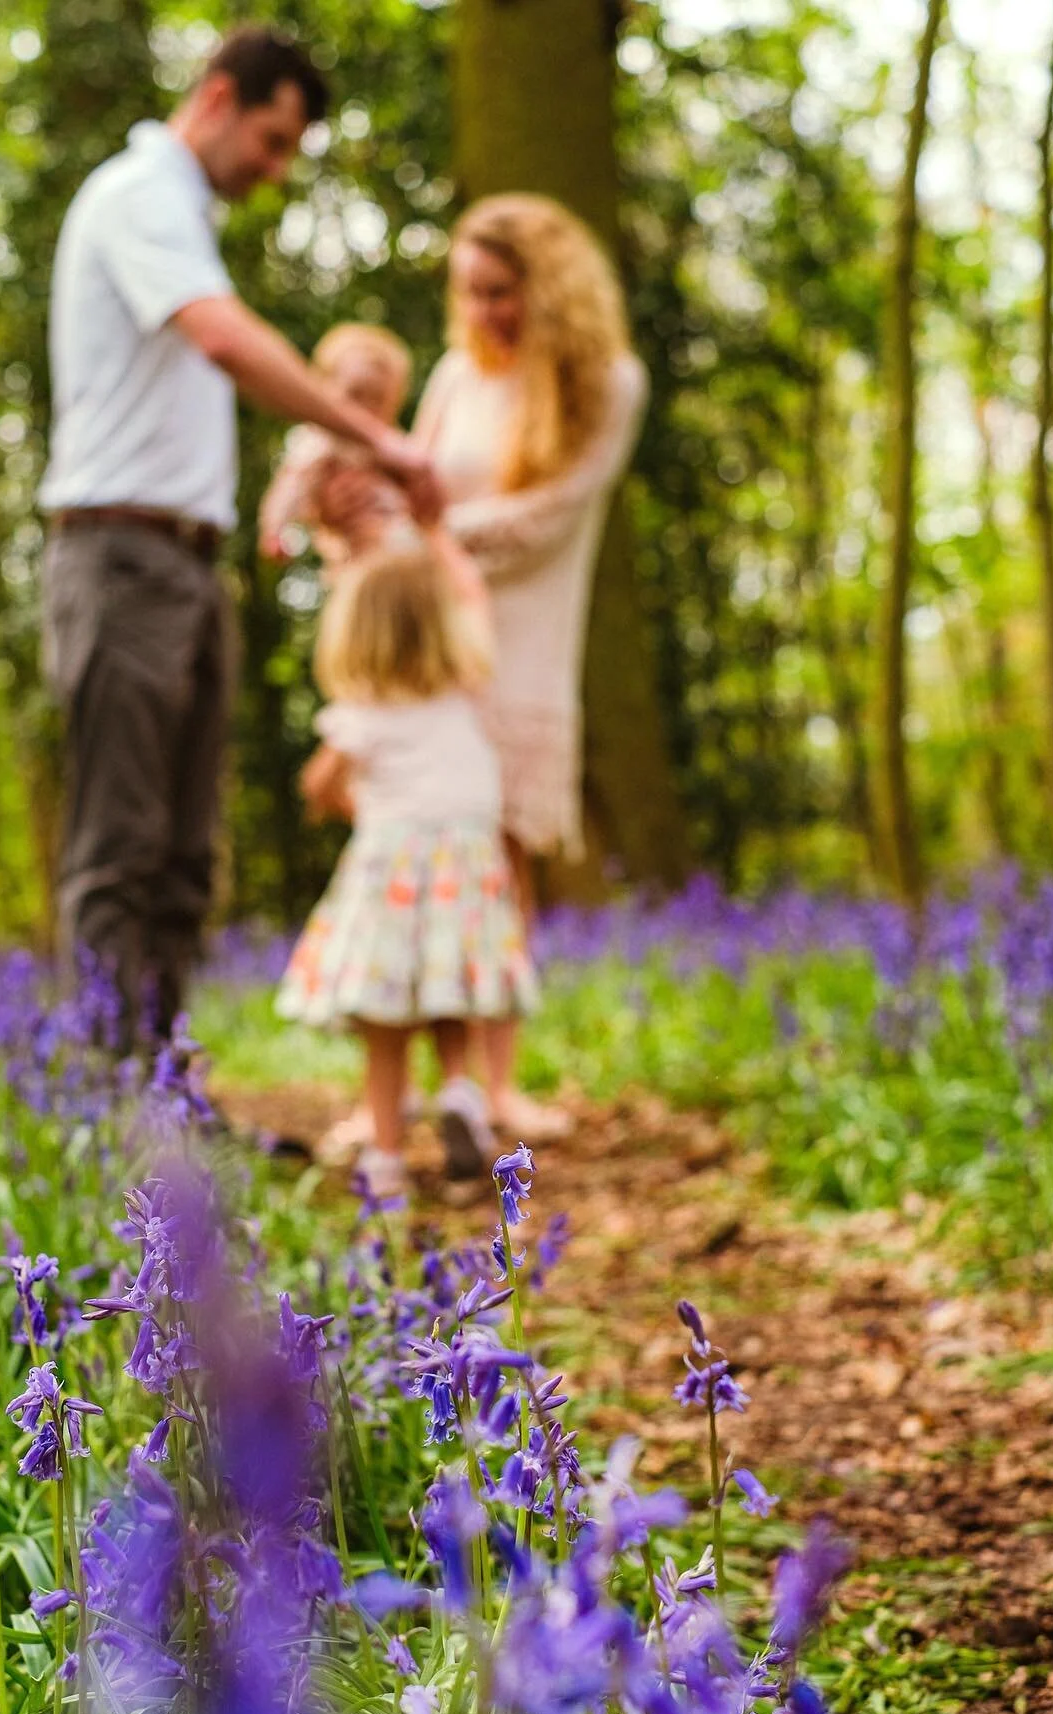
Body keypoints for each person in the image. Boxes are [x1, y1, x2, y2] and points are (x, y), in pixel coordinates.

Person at [38, 29, 440, 1054]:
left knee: (181, 857)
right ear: (217, 97)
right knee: (123, 847)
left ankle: (160, 1101)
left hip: (182, 561)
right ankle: (108, 1114)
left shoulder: (182, 217)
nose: (276, 169)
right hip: (121, 555)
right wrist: (379, 442)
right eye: (271, 139)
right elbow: (224, 339)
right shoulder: (139, 196)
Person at [324, 192, 648, 1139]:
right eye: (470, 294)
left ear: (551, 288)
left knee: (499, 861)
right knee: (402, 851)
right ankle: (397, 1090)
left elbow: (550, 518)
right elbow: (405, 478)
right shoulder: (458, 377)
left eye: (502, 292)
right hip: (431, 653)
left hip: (524, 647)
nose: (483, 314)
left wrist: (428, 536)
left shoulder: (607, 382)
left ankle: (494, 1085)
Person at [275, 536, 536, 1202]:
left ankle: (388, 1160)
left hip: (392, 880)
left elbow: (315, 785)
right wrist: (441, 534)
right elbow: (474, 598)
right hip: (465, 877)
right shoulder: (466, 695)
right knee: (450, 999)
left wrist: (353, 804)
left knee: (385, 1030)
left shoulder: (362, 715)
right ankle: (459, 1089)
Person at [259, 323, 416, 567]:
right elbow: (292, 484)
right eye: (355, 394)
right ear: (323, 391)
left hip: (401, 550)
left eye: (378, 399)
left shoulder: (391, 442)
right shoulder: (319, 442)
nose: (365, 409)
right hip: (349, 557)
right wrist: (276, 530)